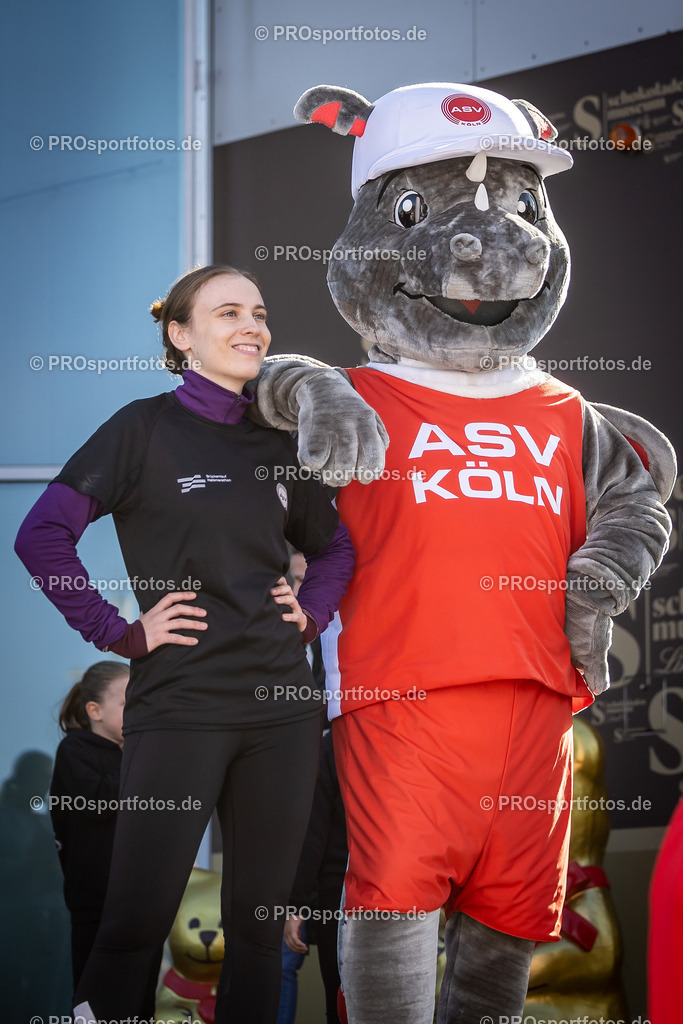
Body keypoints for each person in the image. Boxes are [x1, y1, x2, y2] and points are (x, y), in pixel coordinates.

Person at [15, 264, 354, 1024]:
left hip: (282, 714)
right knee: (134, 924)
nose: (252, 327)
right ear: (180, 334)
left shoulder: (281, 440)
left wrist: (311, 612)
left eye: (259, 313)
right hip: (182, 708)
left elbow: (334, 549)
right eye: (228, 311)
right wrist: (120, 631)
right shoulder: (141, 429)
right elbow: (40, 535)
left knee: (260, 933)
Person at [50, 661, 162, 1011]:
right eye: (128, 703)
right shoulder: (75, 751)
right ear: (94, 711)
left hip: (141, 902)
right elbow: (98, 802)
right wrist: (139, 758)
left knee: (140, 999)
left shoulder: (131, 754)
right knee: (95, 1000)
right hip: (96, 903)